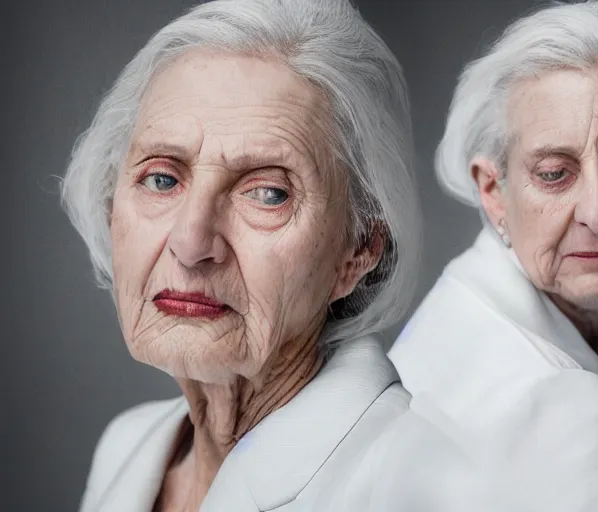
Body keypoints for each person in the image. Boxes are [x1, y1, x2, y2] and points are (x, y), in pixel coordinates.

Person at [62, 0, 422, 510]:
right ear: (110, 209)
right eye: (162, 179)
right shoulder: (127, 445)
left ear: (357, 250)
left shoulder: (409, 479)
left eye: (269, 193)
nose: (191, 243)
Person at [389, 0, 598, 509]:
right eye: (554, 173)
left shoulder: (475, 307)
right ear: (493, 192)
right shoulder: (570, 409)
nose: (597, 214)